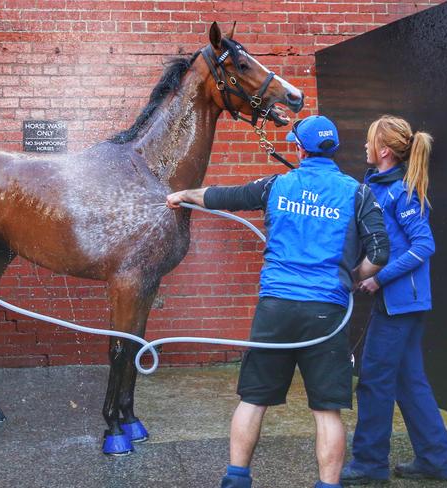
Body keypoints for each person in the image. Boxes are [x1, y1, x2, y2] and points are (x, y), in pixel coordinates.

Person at [166, 115, 389, 488]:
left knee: (253, 399)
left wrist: (184, 195)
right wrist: (350, 278)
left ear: (299, 149)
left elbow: (226, 196)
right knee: (327, 410)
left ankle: (236, 479)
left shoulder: (277, 185)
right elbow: (380, 252)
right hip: (327, 311)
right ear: (332, 148)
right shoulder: (357, 192)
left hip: (276, 308)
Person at [341, 115, 447, 484]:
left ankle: (369, 464)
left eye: (369, 141)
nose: (364, 146)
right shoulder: (378, 185)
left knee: (374, 381)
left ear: (385, 151)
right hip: (402, 303)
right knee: (410, 381)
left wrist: (379, 278)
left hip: (400, 304)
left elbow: (424, 245)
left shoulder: (402, 192)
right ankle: (437, 460)